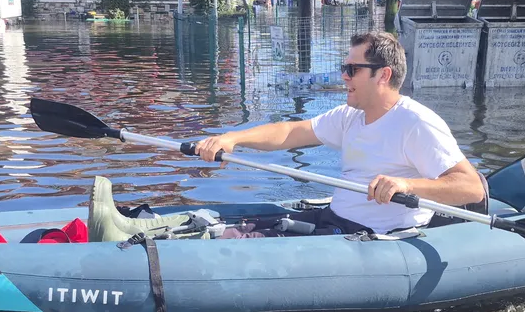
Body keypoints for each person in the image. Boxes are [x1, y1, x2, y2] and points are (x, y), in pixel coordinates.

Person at [195, 31, 486, 237]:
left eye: (352, 69)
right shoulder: (349, 116)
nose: (344, 75)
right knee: (241, 230)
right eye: (343, 67)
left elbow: (471, 187)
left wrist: (405, 185)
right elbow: (290, 132)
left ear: (383, 75)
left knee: (250, 244)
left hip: (372, 235)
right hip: (336, 219)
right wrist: (233, 138)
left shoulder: (416, 123)